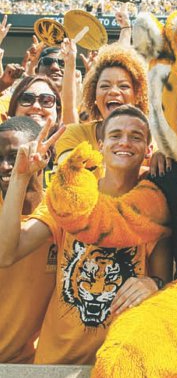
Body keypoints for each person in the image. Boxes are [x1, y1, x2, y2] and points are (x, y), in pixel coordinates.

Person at [0, 105, 171, 364]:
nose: (124, 142)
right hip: (55, 362)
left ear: (148, 150)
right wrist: (20, 178)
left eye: (135, 136)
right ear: (100, 145)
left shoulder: (155, 205)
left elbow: (164, 281)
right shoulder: (72, 196)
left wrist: (153, 284)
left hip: (116, 364)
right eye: (115, 135)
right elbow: (7, 253)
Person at [0, 116, 56, 363]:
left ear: (45, 155)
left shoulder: (59, 213)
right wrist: (19, 177)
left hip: (26, 364)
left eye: (13, 157)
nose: (4, 165)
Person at [55, 42, 149, 164]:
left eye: (123, 86)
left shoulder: (151, 142)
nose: (113, 91)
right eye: (105, 86)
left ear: (137, 96)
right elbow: (68, 174)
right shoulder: (75, 134)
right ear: (94, 95)